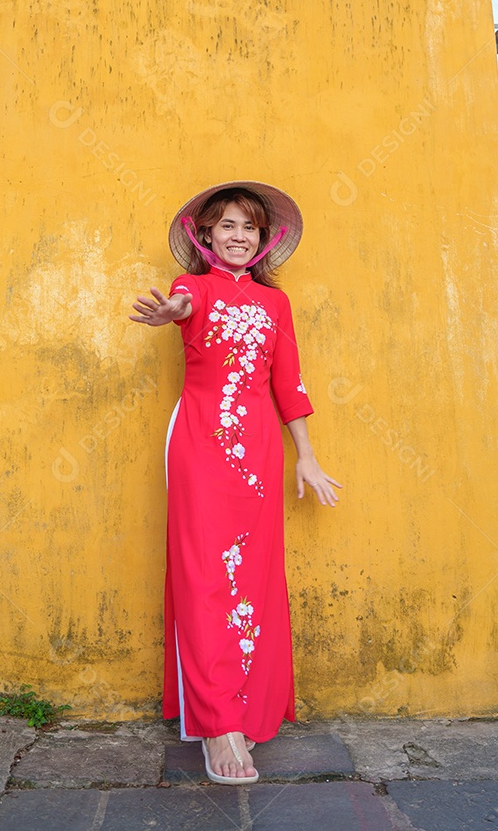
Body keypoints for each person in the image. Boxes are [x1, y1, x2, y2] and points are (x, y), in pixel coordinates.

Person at [130, 181, 341, 785]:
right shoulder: (190, 288)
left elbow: (289, 384)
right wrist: (175, 313)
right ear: (205, 236)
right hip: (199, 441)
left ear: (264, 239)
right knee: (203, 572)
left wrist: (306, 456)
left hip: (259, 450)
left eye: (249, 227)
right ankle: (218, 724)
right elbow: (182, 307)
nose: (238, 236)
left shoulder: (277, 305)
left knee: (251, 575)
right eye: (226, 225)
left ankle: (246, 706)